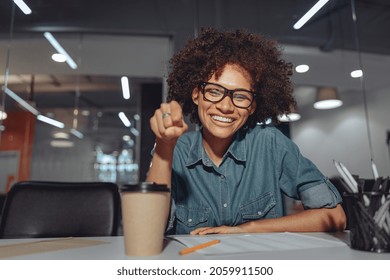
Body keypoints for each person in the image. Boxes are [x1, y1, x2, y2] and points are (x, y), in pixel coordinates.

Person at [147, 27, 346, 235]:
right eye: (214, 91)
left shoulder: (271, 144)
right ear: (197, 94)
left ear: (252, 106)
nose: (225, 107)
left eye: (240, 96)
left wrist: (249, 228)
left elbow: (335, 216)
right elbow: (149, 231)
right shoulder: (175, 151)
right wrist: (164, 146)